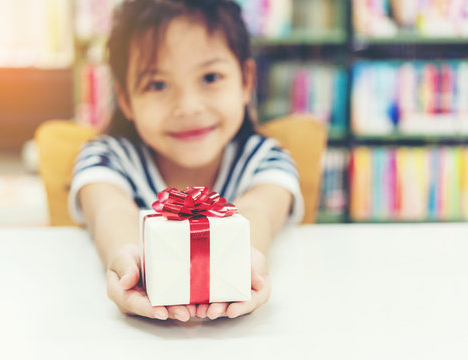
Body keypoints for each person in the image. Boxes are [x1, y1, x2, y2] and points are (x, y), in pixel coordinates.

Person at [69, 0, 304, 322]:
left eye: (210, 77)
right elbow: (110, 211)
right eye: (157, 84)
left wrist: (246, 260)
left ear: (246, 81)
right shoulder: (107, 157)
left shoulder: (266, 158)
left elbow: (260, 210)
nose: (188, 107)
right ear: (125, 99)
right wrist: (127, 259)